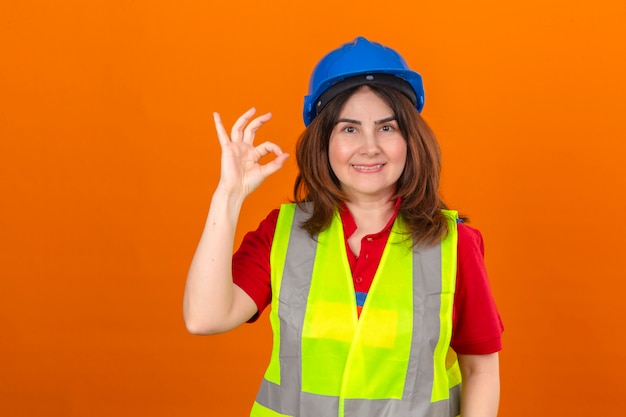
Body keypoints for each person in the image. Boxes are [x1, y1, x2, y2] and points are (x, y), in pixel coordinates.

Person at [184, 37, 503, 417]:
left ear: (410, 140)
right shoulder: (283, 232)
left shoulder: (453, 244)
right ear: (324, 143)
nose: (369, 147)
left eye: (387, 128)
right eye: (349, 129)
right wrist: (228, 196)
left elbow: (479, 368)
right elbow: (205, 317)